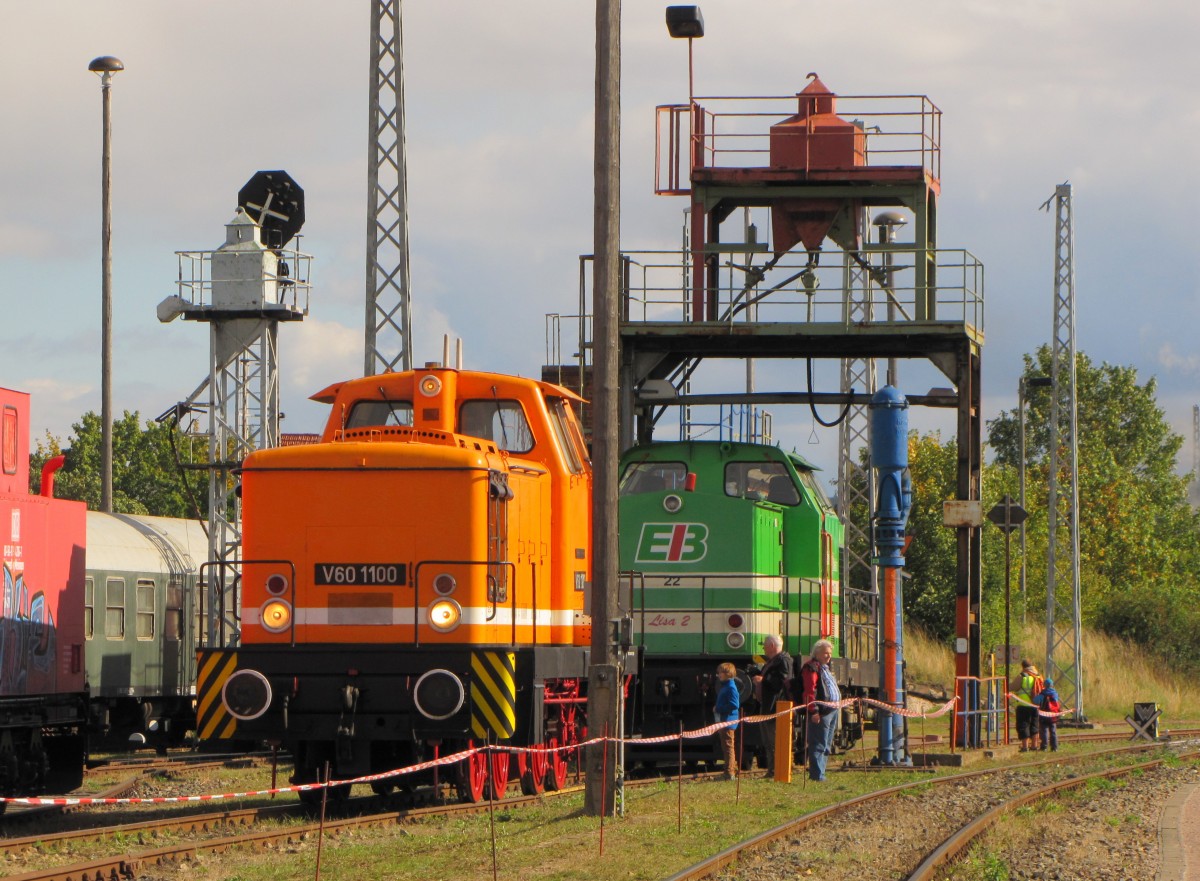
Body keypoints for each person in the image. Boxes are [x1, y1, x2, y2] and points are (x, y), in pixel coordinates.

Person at [799, 638, 841, 782]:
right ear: (816, 654)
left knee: (826, 744)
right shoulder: (811, 668)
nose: (828, 656)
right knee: (819, 743)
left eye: (829, 653)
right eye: (825, 653)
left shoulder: (826, 668)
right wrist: (813, 711)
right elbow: (810, 691)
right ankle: (817, 775)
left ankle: (821, 773)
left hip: (832, 710)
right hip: (822, 712)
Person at [752, 634, 792, 776]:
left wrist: (763, 679)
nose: (763, 648)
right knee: (768, 741)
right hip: (767, 706)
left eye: (765, 645)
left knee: (773, 739)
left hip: (775, 706)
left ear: (772, 646)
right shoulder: (774, 661)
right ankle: (772, 769)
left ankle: (776, 769)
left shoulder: (783, 661)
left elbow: (781, 681)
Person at [714, 662, 740, 779]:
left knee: (728, 746)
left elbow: (734, 704)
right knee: (726, 746)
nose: (719, 674)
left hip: (728, 721)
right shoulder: (726, 686)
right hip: (725, 720)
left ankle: (729, 772)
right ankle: (730, 770)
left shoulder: (730, 687)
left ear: (727, 674)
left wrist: (719, 708)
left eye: (721, 672)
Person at [1012, 660, 1042, 752]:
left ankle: (1025, 747)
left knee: (1023, 725)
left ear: (1023, 667)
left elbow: (1013, 687)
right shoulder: (1038, 676)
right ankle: (1034, 746)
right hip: (1035, 704)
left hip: (1023, 705)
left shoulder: (1022, 676)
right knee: (1034, 725)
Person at [1036, 677, 1061, 752]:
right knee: (1053, 731)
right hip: (1053, 715)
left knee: (1044, 731)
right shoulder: (1055, 694)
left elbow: (1035, 701)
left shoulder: (1042, 694)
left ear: (1044, 685)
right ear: (1052, 685)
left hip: (1044, 715)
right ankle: (1054, 747)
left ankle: (1044, 747)